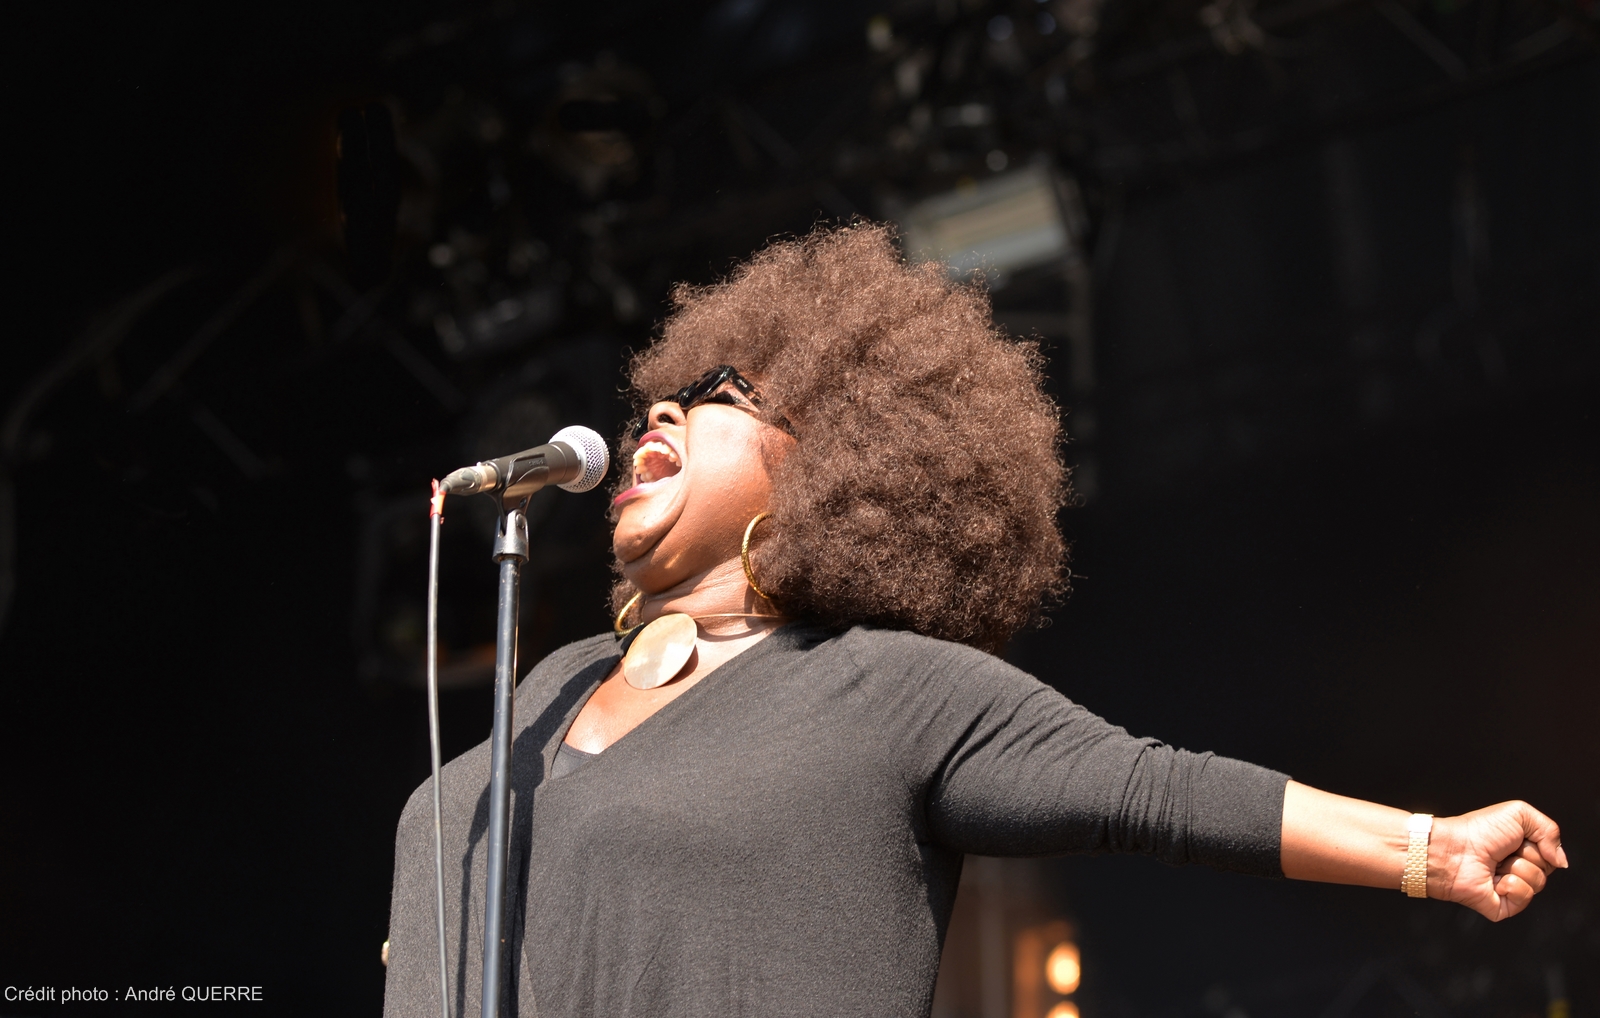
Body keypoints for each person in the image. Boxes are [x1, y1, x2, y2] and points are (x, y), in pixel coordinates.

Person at [382, 223, 1565, 1018]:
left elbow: (1153, 789)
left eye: (715, 396)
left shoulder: (879, 688)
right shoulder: (551, 688)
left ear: (829, 469)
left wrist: (1426, 849)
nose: (659, 411)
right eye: (657, 397)